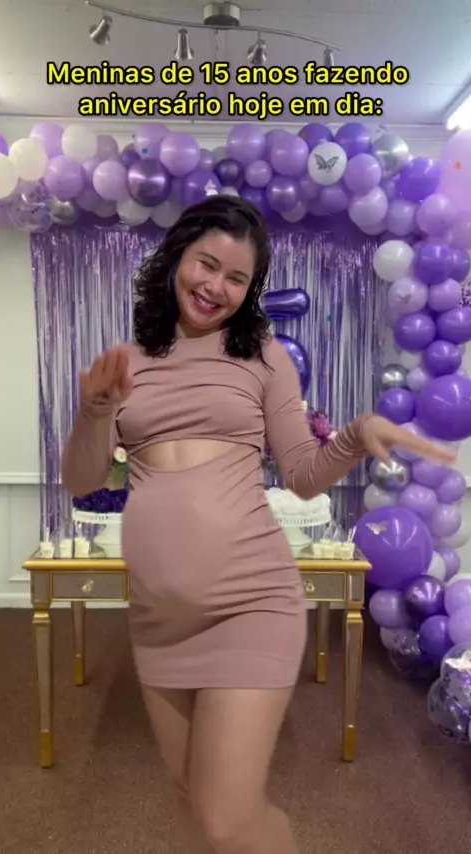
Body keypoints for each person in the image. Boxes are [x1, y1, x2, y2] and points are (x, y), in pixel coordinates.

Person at [61, 196, 454, 854]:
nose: (216, 286)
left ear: (250, 290)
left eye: (237, 278)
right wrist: (95, 411)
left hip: (251, 601)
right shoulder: (125, 362)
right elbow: (81, 479)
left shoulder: (265, 358)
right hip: (159, 616)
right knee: (189, 799)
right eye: (207, 264)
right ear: (177, 258)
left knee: (228, 818)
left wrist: (355, 435)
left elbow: (301, 473)